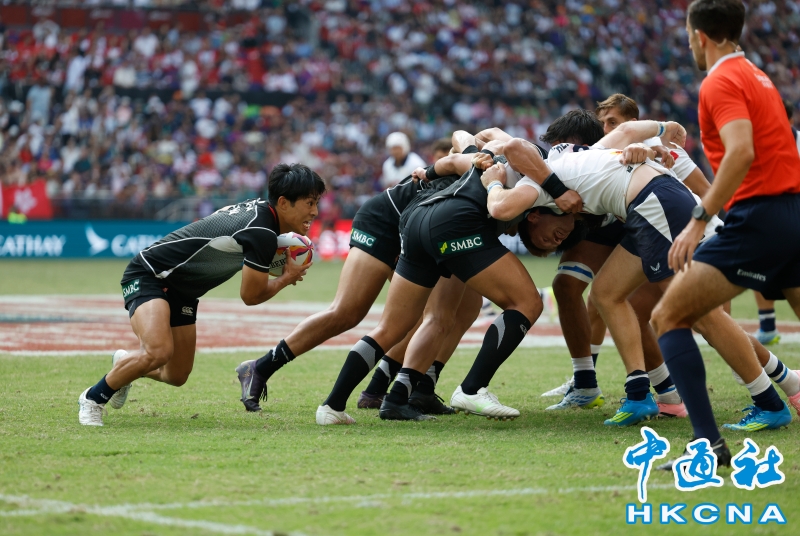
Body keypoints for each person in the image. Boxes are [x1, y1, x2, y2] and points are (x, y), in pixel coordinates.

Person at [488, 111, 793, 440]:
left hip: (655, 204)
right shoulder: (578, 156)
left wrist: (492, 182)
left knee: (696, 313)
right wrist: (664, 128)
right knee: (606, 294)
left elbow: (503, 194)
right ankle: (638, 393)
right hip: (648, 206)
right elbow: (627, 131)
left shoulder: (535, 183)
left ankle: (769, 401)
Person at [315, 117, 601, 425]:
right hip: (457, 222)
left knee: (412, 323)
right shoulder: (546, 165)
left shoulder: (516, 172)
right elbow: (506, 147)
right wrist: (554, 189)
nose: (562, 233)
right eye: (563, 228)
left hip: (419, 220)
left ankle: (350, 404)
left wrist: (437, 167)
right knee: (527, 303)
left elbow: (469, 147)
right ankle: (472, 388)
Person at [651, 0, 800, 465]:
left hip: (760, 218)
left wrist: (699, 219)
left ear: (701, 36)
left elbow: (740, 153)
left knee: (668, 317)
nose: (689, 45)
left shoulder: (720, 80)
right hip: (792, 212)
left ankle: (708, 445)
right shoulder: (757, 75)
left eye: (687, 37)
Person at [237, 137, 478, 418]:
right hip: (385, 223)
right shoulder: (487, 165)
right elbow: (463, 136)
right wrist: (474, 152)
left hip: (415, 230)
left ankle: (391, 389)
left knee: (437, 313)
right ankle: (262, 367)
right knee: (347, 312)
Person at [77, 164, 325, 426]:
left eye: (316, 203)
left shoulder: (264, 217)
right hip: (151, 274)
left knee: (177, 375)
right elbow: (251, 296)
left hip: (183, 292)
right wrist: (286, 278)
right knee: (158, 352)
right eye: (309, 203)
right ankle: (93, 398)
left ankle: (126, 365)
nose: (315, 212)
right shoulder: (262, 231)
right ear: (283, 203)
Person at [525, 94, 707, 417]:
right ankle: (588, 383)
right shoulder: (595, 153)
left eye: (613, 122)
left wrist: (654, 144)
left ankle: (766, 384)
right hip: (618, 217)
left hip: (658, 219)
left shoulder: (650, 144)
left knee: (655, 310)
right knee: (575, 287)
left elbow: (701, 189)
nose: (606, 128)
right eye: (603, 122)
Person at [750, 100, 799, 346]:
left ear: (790, 120)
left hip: (789, 213)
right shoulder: (761, 142)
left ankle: (767, 326)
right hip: (773, 216)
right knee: (755, 263)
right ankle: (767, 325)